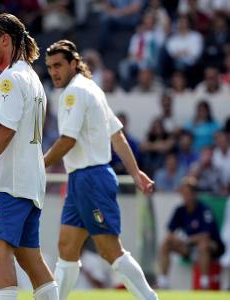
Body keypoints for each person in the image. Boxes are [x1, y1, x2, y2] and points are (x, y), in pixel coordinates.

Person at [44, 40, 158, 300]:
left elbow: (67, 140)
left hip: (90, 178)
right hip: (81, 179)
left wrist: (38, 166)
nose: (54, 72)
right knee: (67, 248)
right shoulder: (91, 89)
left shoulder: (74, 93)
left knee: (110, 251)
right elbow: (117, 137)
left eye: (59, 65)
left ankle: (150, 298)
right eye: (50, 67)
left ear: (74, 63)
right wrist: (136, 172)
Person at [0, 13, 58, 300]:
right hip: (30, 183)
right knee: (31, 259)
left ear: (5, 40)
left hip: (8, 183)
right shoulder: (33, 78)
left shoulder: (10, 79)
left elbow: (6, 129)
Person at [158, 177, 225, 290]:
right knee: (166, 244)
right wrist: (177, 239)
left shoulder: (204, 209)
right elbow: (169, 232)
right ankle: (163, 283)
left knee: (203, 244)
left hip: (212, 248)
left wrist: (185, 239)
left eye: (188, 193)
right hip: (190, 248)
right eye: (183, 193)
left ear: (194, 194)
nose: (185, 196)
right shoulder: (180, 210)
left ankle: (204, 284)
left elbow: (205, 235)